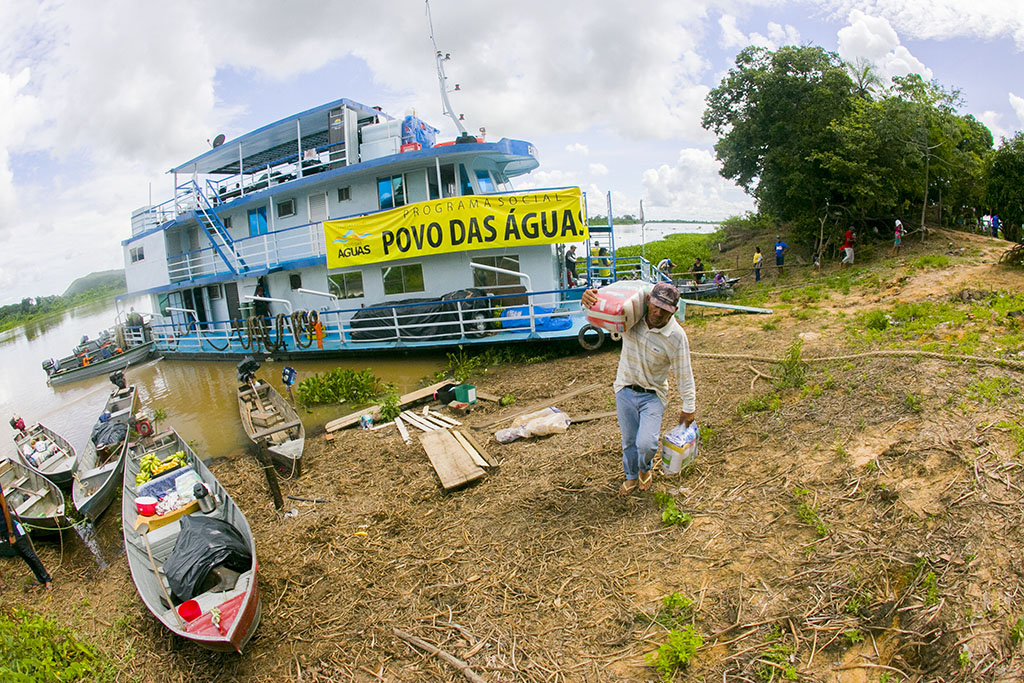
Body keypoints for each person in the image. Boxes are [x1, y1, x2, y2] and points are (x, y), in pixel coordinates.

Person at [580, 282, 696, 496]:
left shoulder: (676, 337)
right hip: (624, 387)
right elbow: (602, 311)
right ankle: (632, 475)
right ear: (648, 301)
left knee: (647, 444)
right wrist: (588, 299)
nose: (658, 312)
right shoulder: (631, 317)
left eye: (665, 309)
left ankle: (645, 468)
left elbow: (684, 373)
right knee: (629, 441)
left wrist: (689, 407)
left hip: (653, 395)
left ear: (673, 312)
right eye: (655, 305)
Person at [0, 482, 52, 591]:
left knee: (27, 552)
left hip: (7, 526)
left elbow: (5, 508)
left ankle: (47, 579)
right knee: (22, 555)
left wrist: (11, 532)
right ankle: (40, 578)